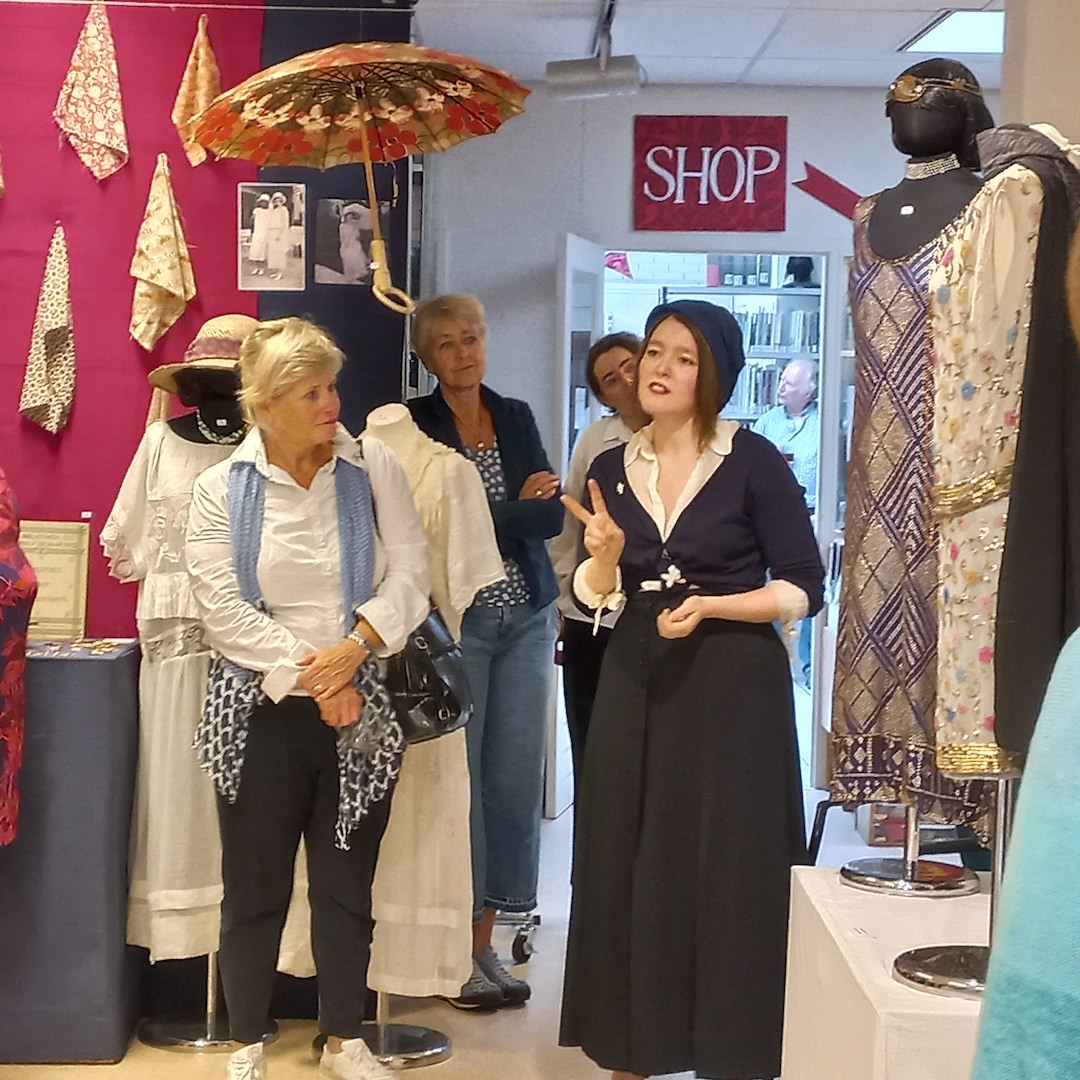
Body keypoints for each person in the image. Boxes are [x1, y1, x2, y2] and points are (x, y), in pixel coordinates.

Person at [559, 299, 824, 1080]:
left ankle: (733, 1050)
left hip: (735, 679)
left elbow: (804, 586)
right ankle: (633, 1048)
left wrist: (714, 604)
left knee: (729, 861)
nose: (659, 368)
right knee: (631, 852)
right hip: (638, 675)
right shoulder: (612, 466)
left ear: (714, 377)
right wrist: (604, 558)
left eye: (683, 357)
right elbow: (593, 587)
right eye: (654, 352)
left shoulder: (756, 459)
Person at [186, 316, 430, 1080]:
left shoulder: (372, 466)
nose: (332, 403)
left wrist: (354, 651)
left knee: (345, 883)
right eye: (311, 391)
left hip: (360, 707)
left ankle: (343, 1039)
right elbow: (221, 609)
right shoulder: (220, 488)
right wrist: (314, 674)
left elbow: (411, 577)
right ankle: (246, 1038)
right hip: (257, 711)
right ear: (264, 403)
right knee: (254, 883)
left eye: (331, 386)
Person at [407, 293, 561, 1011]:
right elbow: (429, 524)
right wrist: (509, 512)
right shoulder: (414, 425)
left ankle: (486, 946)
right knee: (458, 785)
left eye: (472, 337)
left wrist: (490, 517)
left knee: (511, 780)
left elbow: (551, 514)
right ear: (426, 358)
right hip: (460, 622)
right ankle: (453, 950)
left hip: (527, 615)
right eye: (447, 343)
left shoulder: (518, 415)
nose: (465, 352)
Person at [102, 313, 258, 962]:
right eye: (211, 381)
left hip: (254, 652)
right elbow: (125, 544)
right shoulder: (160, 445)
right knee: (176, 788)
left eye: (235, 381)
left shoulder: (268, 450)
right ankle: (185, 940)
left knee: (251, 801)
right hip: (173, 649)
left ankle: (250, 950)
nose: (222, 394)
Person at [549, 331, 646, 789]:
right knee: (594, 753)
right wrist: (566, 598)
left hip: (655, 617)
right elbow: (571, 526)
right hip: (595, 620)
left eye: (630, 364)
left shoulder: (694, 437)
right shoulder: (597, 442)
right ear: (602, 394)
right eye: (610, 378)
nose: (624, 380)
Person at [752, 357, 820, 683]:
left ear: (809, 391)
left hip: (810, 516)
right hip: (769, 518)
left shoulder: (825, 424)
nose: (781, 386)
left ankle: (803, 669)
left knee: (804, 592)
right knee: (769, 590)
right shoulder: (765, 423)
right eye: (781, 380)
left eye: (790, 383)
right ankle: (773, 662)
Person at [265, 192, 290, 281]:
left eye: (279, 201)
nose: (278, 203)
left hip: (279, 233)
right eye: (276, 201)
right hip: (272, 233)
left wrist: (279, 235)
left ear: (282, 201)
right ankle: (275, 271)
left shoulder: (284, 210)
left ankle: (280, 272)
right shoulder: (273, 210)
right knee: (273, 253)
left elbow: (285, 224)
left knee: (280, 253)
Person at [248, 194, 271, 277]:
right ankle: (256, 268)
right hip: (257, 232)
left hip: (266, 233)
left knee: (262, 251)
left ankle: (262, 268)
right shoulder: (256, 210)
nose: (263, 203)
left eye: (265, 202)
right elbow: (252, 220)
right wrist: (252, 231)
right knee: (256, 251)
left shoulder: (270, 211)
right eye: (262, 202)